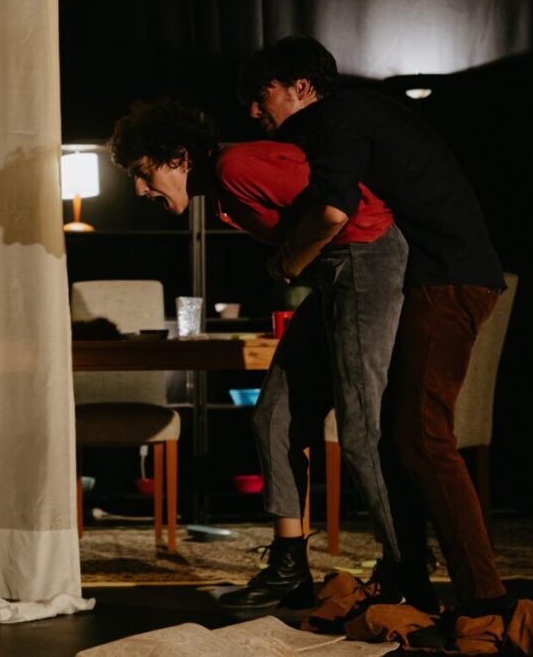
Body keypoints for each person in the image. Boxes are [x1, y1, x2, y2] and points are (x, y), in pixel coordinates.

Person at [239, 36, 509, 616]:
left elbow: (333, 211)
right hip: (428, 276)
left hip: (446, 278)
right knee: (391, 430)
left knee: (420, 436)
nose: (254, 111)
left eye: (263, 95)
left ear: (302, 88)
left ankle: (485, 600)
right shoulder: (353, 117)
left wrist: (288, 262)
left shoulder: (341, 117)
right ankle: (402, 573)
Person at [108, 99, 409, 609]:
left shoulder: (236, 166)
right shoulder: (221, 190)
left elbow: (339, 211)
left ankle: (407, 567)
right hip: (334, 275)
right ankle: (290, 566)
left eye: (143, 172)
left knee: (360, 426)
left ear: (178, 158)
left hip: (367, 260)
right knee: (275, 416)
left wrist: (289, 260)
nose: (139, 189)